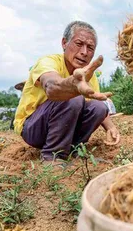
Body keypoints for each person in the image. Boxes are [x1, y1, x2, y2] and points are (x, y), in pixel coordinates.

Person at [13, 21, 120, 162]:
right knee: (72, 97)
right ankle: (52, 157)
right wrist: (72, 86)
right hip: (33, 128)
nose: (84, 52)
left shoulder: (89, 74)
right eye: (79, 44)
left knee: (99, 107)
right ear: (64, 43)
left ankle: (73, 149)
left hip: (63, 127)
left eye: (90, 48)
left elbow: (93, 102)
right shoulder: (48, 62)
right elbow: (51, 86)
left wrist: (110, 127)